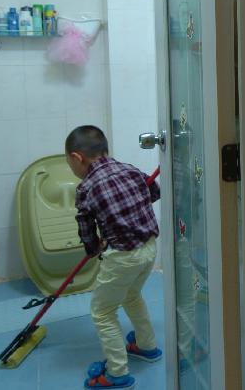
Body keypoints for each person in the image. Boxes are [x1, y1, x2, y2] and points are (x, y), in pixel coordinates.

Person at [66, 125, 163, 389]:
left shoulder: (86, 188)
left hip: (122, 257)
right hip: (150, 248)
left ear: (77, 158)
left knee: (102, 311)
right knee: (132, 295)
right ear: (105, 150)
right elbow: (154, 191)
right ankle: (147, 346)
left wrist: (95, 247)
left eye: (69, 164)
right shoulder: (129, 169)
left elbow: (88, 235)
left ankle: (117, 372)